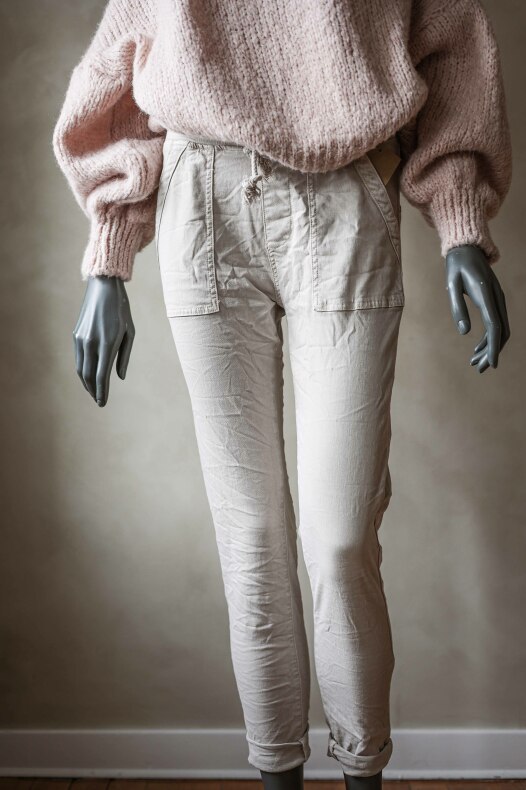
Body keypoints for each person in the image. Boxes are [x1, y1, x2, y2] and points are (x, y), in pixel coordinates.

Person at [51, 1, 512, 788]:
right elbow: (121, 57)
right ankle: (277, 773)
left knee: (340, 539)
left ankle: (362, 768)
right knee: (251, 540)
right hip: (203, 197)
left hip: (347, 192)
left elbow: (455, 46)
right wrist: (109, 255)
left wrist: (460, 223)